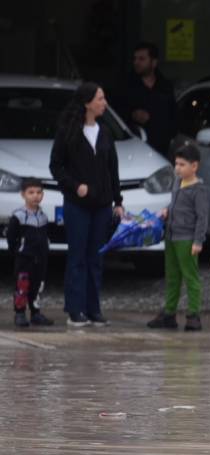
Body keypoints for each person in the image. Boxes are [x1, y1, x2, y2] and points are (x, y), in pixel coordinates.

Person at [49, 82, 124, 327]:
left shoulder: (104, 132)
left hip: (102, 205)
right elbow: (56, 166)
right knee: (77, 257)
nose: (104, 103)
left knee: (96, 258)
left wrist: (118, 200)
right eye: (100, 99)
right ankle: (75, 309)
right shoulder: (68, 130)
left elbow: (112, 168)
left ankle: (94, 309)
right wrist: (74, 186)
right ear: (87, 103)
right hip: (77, 204)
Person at [147, 142, 209, 332]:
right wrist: (166, 210)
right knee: (172, 277)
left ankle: (193, 315)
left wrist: (198, 241)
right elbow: (175, 203)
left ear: (194, 166)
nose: (178, 168)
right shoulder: (177, 183)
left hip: (187, 239)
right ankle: (169, 313)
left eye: (182, 164)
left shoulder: (199, 190)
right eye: (176, 164)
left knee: (190, 277)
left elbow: (202, 217)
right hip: (172, 236)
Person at [6, 178, 54, 328]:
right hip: (24, 259)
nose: (35, 196)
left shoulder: (43, 217)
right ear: (23, 195)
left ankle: (35, 313)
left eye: (39, 192)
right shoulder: (18, 216)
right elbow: (11, 237)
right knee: (22, 286)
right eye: (31, 192)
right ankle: (20, 313)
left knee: (37, 286)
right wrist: (17, 251)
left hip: (40, 259)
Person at [122, 41, 177, 157]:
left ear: (154, 62)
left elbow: (173, 115)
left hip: (162, 148)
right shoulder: (126, 86)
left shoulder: (165, 86)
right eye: (135, 59)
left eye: (141, 59)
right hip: (134, 149)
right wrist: (132, 115)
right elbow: (116, 114)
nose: (136, 62)